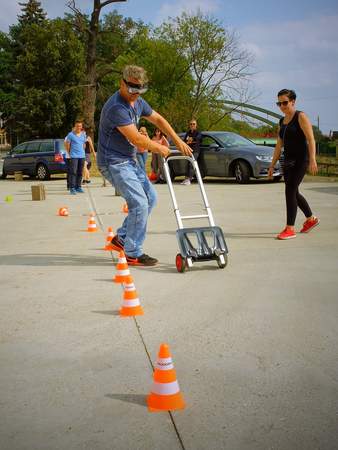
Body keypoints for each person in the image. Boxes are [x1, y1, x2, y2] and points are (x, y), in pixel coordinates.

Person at [97, 65, 192, 266]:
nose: (135, 95)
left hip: (128, 161)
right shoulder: (117, 107)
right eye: (132, 90)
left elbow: (158, 119)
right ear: (122, 83)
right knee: (139, 203)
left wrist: (177, 140)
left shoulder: (137, 101)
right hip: (113, 162)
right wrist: (160, 148)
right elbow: (137, 140)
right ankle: (132, 251)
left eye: (140, 90)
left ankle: (122, 238)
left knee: (150, 198)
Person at [268, 89, 319, 240]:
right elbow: (278, 145)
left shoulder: (300, 116)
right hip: (287, 160)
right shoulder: (281, 121)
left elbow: (311, 139)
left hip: (301, 160)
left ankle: (290, 228)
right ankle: (311, 219)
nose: (282, 106)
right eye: (279, 103)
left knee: (290, 190)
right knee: (294, 192)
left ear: (293, 102)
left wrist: (312, 159)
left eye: (285, 102)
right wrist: (272, 165)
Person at [65, 120, 86, 195]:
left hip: (82, 156)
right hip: (74, 156)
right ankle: (72, 188)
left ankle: (78, 187)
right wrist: (70, 153)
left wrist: (83, 153)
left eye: (80, 126)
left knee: (80, 172)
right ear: (75, 126)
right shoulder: (70, 135)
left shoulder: (83, 134)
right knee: (73, 172)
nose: (78, 127)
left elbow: (84, 145)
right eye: (77, 126)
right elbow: (67, 145)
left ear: (81, 127)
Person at [181, 119, 202, 185]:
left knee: (191, 164)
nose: (192, 125)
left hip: (195, 151)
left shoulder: (198, 132)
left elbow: (198, 138)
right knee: (187, 165)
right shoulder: (188, 133)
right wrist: (190, 140)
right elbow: (184, 141)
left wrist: (191, 139)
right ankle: (186, 179)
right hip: (188, 151)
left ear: (196, 125)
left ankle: (189, 179)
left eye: (193, 124)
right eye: (191, 124)